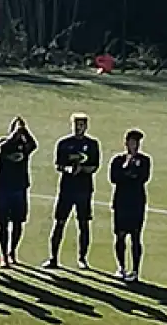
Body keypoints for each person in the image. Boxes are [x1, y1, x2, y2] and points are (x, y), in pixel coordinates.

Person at [46, 112, 100, 269]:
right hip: (66, 189)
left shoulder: (92, 145)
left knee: (83, 224)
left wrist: (82, 169)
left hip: (84, 190)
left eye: (82, 125)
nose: (79, 128)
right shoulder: (64, 144)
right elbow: (58, 165)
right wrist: (69, 170)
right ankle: (53, 258)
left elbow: (95, 166)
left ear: (86, 126)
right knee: (59, 222)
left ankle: (82, 259)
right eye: (76, 124)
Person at [0, 117, 36, 269]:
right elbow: (2, 148)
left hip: (20, 187)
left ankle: (12, 252)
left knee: (18, 222)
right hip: (4, 188)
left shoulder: (24, 146)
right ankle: (3, 255)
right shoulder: (3, 142)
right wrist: (14, 133)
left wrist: (25, 130)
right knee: (3, 223)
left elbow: (34, 145)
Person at [110, 129, 152, 282]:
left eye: (137, 142)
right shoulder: (117, 160)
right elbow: (114, 178)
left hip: (137, 202)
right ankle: (121, 267)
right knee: (120, 235)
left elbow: (143, 178)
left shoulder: (145, 160)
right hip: (121, 202)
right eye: (133, 142)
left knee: (136, 237)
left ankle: (135, 270)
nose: (135, 145)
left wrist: (128, 175)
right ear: (126, 143)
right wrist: (127, 169)